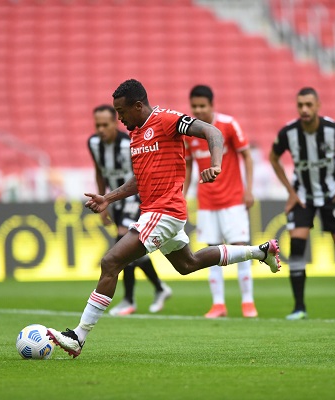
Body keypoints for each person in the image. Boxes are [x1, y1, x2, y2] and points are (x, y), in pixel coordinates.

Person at [47, 79, 282, 358]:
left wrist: (216, 164)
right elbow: (140, 180)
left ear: (138, 106)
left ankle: (78, 336)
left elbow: (213, 132)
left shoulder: (167, 120)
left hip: (165, 211)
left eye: (121, 111)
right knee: (188, 264)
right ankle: (261, 251)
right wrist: (108, 198)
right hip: (157, 211)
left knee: (111, 262)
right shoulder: (136, 135)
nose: (119, 118)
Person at [269, 87, 335, 320]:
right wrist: (290, 191)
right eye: (300, 105)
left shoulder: (333, 129)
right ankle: (299, 307)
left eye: (309, 105)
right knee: (296, 246)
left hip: (333, 195)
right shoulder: (289, 132)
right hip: (302, 196)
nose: (304, 109)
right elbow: (273, 157)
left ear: (318, 105)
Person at [88, 104, 172, 316]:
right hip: (115, 201)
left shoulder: (129, 144)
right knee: (130, 250)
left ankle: (128, 299)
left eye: (105, 125)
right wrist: (103, 201)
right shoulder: (93, 143)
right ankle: (160, 287)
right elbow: (99, 171)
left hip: (136, 197)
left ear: (115, 123)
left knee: (122, 239)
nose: (100, 129)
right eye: (97, 125)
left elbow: (142, 174)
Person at [183, 85, 257, 318]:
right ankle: (218, 304)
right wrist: (182, 197)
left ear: (212, 105)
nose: (198, 110)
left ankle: (248, 302)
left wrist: (249, 190)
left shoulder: (228, 124)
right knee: (212, 252)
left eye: (202, 106)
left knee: (241, 249)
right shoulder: (189, 133)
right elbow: (188, 167)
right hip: (206, 202)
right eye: (194, 106)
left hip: (233, 200)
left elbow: (247, 156)